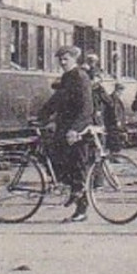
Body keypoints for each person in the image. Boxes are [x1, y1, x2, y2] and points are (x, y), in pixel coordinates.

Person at [37, 45, 95, 222]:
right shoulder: (67, 77)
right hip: (65, 127)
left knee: (78, 166)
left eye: (66, 59)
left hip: (77, 128)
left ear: (74, 60)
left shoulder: (80, 77)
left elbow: (87, 107)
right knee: (52, 155)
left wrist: (75, 129)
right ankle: (72, 192)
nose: (62, 62)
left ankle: (81, 209)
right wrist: (42, 115)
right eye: (60, 60)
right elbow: (56, 100)